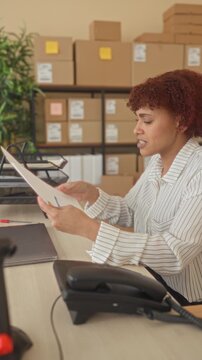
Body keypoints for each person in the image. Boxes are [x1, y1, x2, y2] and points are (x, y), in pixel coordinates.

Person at [38, 69, 202, 306]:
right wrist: (92, 195)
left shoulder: (198, 171)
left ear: (181, 120)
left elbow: (174, 254)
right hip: (150, 278)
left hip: (186, 301)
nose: (137, 129)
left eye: (146, 120)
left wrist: (88, 228)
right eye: (137, 119)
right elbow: (131, 212)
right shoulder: (157, 162)